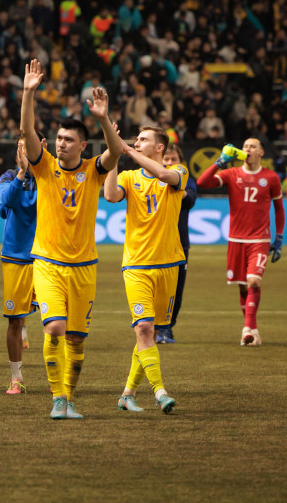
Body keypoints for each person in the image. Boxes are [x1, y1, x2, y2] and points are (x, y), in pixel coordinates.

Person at [20, 59, 124, 419]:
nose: (61, 144)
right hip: (47, 263)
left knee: (77, 339)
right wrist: (28, 92)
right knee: (55, 328)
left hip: (84, 267)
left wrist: (103, 119)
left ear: (82, 145)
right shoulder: (44, 165)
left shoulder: (94, 170)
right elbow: (27, 131)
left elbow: (116, 151)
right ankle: (57, 398)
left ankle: (70, 398)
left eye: (68, 140)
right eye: (59, 139)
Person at [104, 127, 188, 414]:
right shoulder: (129, 177)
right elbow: (110, 195)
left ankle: (127, 393)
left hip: (168, 266)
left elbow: (165, 176)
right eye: (135, 140)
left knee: (148, 336)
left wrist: (127, 150)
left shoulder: (178, 171)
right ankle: (160, 392)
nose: (136, 142)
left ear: (159, 148)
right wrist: (115, 157)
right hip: (136, 265)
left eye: (142, 140)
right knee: (143, 327)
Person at [196, 139, 285, 346]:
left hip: (259, 239)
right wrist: (220, 162)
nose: (248, 150)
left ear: (261, 152)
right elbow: (202, 183)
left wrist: (279, 237)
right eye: (245, 146)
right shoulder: (232, 173)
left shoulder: (271, 178)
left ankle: (247, 329)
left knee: (254, 281)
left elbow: (279, 209)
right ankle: (253, 331)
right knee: (243, 287)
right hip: (236, 239)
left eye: (253, 147)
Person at [0, 134, 43, 395]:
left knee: (53, 320)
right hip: (15, 257)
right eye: (21, 146)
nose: (25, 151)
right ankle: (16, 378)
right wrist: (23, 172)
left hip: (46, 256)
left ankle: (55, 378)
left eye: (31, 146)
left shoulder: (50, 176)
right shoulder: (7, 177)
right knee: (15, 321)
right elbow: (7, 203)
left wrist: (39, 167)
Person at [159, 143, 196, 344]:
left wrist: (175, 183)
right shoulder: (150, 178)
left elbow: (190, 200)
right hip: (156, 243)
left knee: (177, 289)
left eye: (174, 159)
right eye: (166, 159)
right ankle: (154, 326)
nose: (170, 163)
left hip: (180, 243)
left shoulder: (187, 180)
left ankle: (168, 328)